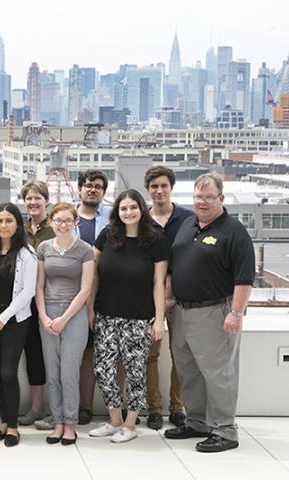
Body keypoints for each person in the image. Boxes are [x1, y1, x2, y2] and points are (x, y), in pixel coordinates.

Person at [164, 172, 254, 453]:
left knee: (218, 373)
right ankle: (198, 421)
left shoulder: (233, 231)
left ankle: (225, 430)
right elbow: (174, 266)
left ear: (221, 199)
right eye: (198, 197)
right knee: (188, 370)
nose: (202, 202)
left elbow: (244, 277)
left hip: (215, 311)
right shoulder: (188, 224)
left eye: (208, 197)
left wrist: (236, 312)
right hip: (180, 311)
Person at [87, 189, 168, 443]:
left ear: (141, 210)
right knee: (103, 369)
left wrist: (158, 319)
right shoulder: (107, 236)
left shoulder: (155, 240)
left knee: (134, 372)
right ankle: (114, 420)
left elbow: (159, 283)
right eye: (123, 208)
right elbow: (94, 275)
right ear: (117, 212)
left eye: (133, 207)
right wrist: (90, 308)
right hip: (107, 316)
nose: (128, 212)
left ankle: (130, 425)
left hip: (139, 318)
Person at [0, 203, 38, 447]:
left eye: (9, 221)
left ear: (17, 225)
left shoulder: (27, 253)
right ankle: (3, 422)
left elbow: (28, 291)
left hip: (14, 321)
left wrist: (5, 317)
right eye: (0, 221)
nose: (4, 225)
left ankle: (13, 426)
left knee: (8, 372)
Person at [35, 203, 94, 446]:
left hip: (73, 316)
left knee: (69, 372)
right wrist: (44, 316)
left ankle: (70, 424)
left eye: (68, 221)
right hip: (47, 314)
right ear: (51, 221)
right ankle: (57, 422)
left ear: (75, 222)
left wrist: (64, 318)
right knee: (53, 372)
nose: (62, 225)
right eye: (58, 220)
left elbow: (86, 289)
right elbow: (38, 286)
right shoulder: (43, 248)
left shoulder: (85, 250)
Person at [143, 166, 194, 431]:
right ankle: (153, 408)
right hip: (149, 297)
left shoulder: (188, 219)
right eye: (154, 187)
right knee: (150, 356)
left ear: (171, 187)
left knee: (180, 354)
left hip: (182, 297)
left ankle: (177, 407)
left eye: (163, 185)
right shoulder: (141, 220)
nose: (159, 191)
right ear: (148, 190)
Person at [74, 169, 111, 426]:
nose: (92, 190)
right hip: (74, 296)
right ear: (80, 189)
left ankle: (114, 409)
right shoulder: (67, 218)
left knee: (113, 354)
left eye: (98, 187)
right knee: (85, 355)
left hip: (109, 293)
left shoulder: (113, 218)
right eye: (88, 185)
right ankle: (85, 407)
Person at [17, 180, 52, 428]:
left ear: (46, 201)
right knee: (34, 356)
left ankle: (60, 409)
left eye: (37, 198)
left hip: (53, 302)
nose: (33, 202)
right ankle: (37, 408)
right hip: (26, 303)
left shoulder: (58, 226)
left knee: (57, 357)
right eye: (29, 198)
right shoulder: (20, 228)